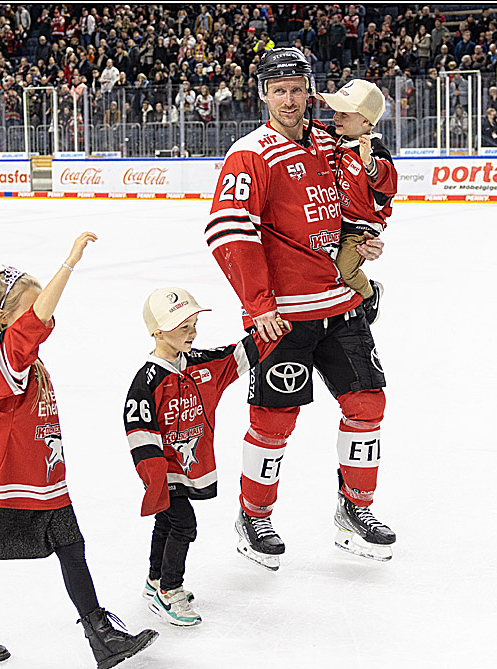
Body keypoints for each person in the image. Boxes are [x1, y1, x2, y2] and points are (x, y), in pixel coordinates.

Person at [203, 47, 395, 572]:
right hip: (284, 315)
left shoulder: (329, 143)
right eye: (278, 90)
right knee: (273, 420)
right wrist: (258, 303)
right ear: (263, 94)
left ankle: (355, 511)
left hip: (341, 303)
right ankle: (254, 515)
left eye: (297, 89)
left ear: (310, 90)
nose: (289, 100)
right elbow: (228, 231)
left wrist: (363, 234)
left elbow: (358, 200)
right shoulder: (251, 154)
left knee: (367, 405)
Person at [0, 232, 158, 669]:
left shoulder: (27, 359)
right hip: (9, 480)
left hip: (43, 479)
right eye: (32, 304)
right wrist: (69, 264)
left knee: (72, 548)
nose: (43, 310)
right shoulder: (1, 354)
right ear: (4, 318)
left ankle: (100, 636)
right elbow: (35, 325)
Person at [126, 287, 285, 625]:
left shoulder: (201, 365)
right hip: (165, 473)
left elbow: (237, 356)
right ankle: (170, 590)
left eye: (193, 323)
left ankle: (155, 580)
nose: (192, 333)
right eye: (183, 326)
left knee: (167, 523)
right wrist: (154, 481)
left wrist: (275, 328)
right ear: (157, 331)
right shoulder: (147, 382)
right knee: (184, 525)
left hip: (191, 467)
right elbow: (139, 434)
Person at [314, 78, 397, 324]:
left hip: (361, 227)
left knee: (345, 269)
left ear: (365, 121)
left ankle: (370, 295)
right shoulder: (339, 138)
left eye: (344, 113)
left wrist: (368, 162)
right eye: (336, 111)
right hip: (339, 220)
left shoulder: (373, 150)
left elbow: (385, 180)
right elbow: (316, 127)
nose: (336, 117)